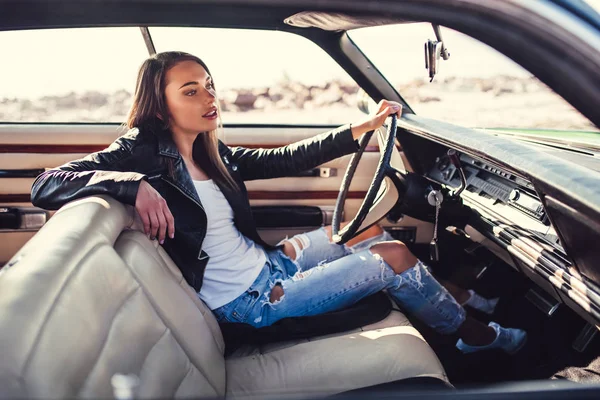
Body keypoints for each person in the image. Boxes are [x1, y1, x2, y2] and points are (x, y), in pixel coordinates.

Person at [31, 51, 526, 354]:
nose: (209, 97)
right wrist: (131, 185)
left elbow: (286, 157)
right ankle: (477, 338)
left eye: (210, 86)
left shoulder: (212, 150)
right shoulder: (140, 150)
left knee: (366, 230)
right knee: (393, 257)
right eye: (191, 90)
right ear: (160, 106)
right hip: (249, 303)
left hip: (271, 264)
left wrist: (363, 129)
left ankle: (462, 303)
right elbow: (46, 182)